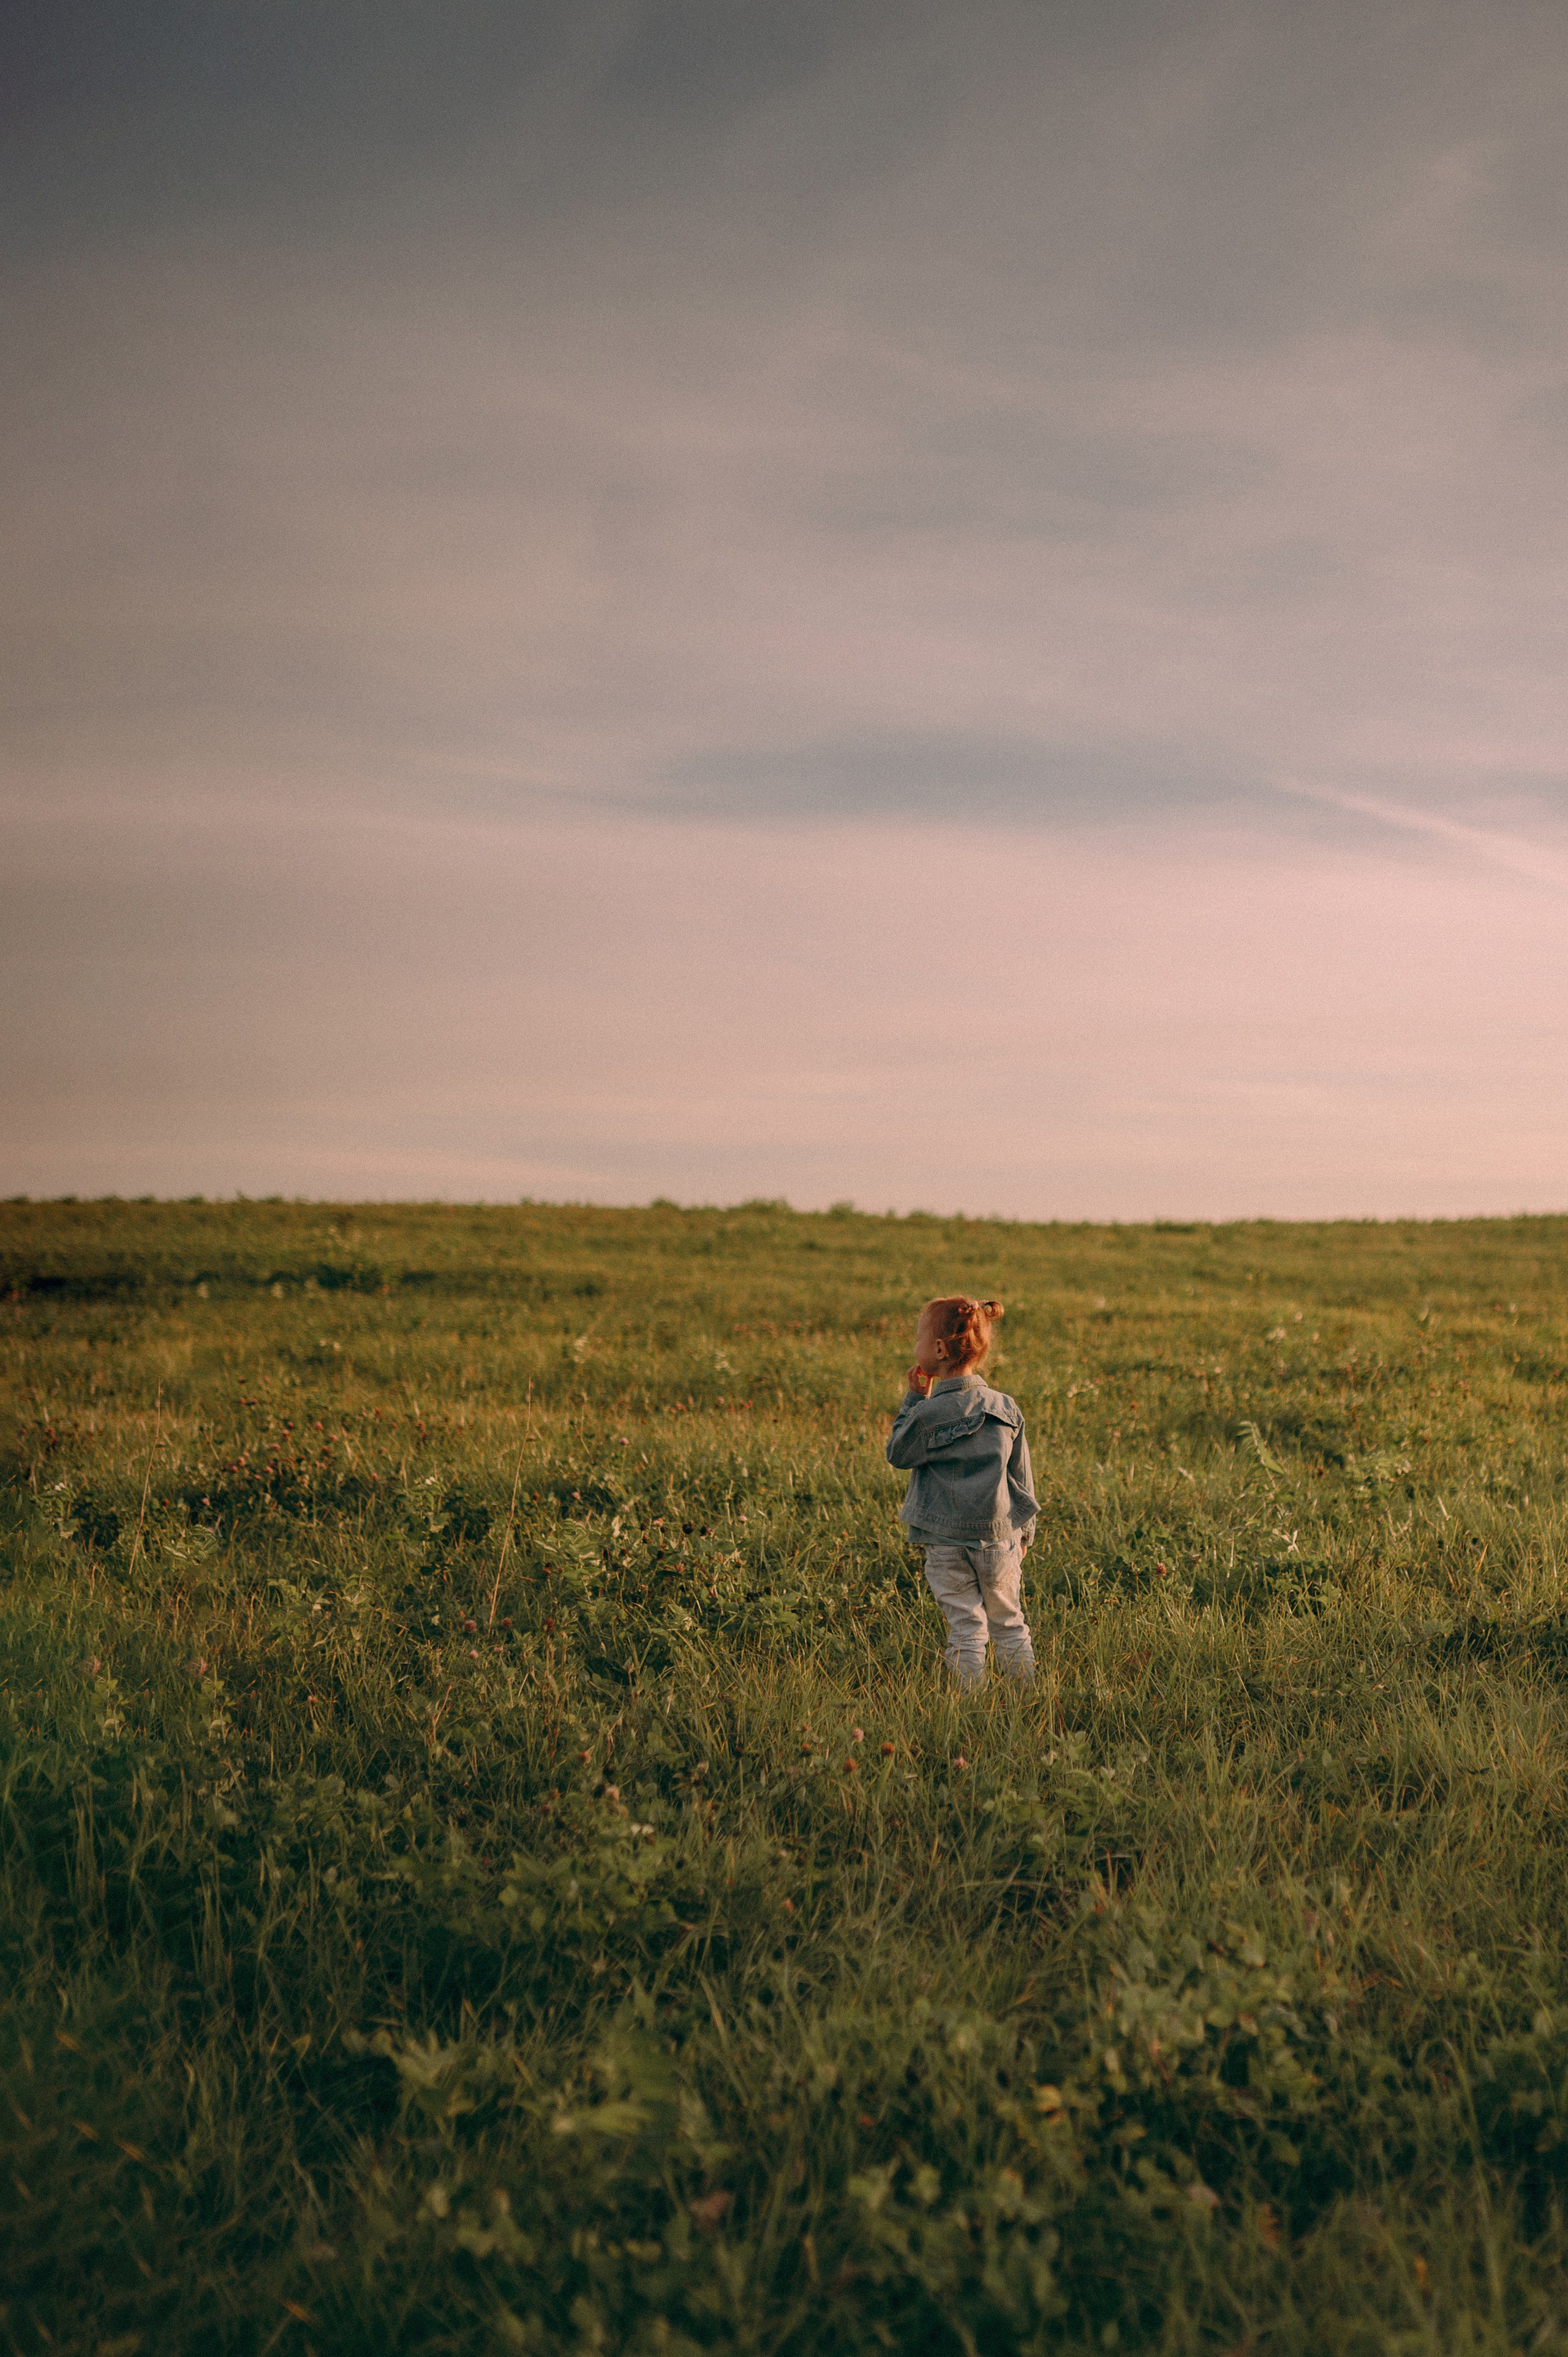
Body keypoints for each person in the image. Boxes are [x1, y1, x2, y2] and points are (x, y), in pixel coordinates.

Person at [886, 1295, 1038, 1689]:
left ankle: (970, 1706)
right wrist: (1025, 1533)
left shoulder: (928, 1413)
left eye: (919, 1337)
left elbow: (898, 1454)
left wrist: (914, 1398)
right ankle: (1027, 1698)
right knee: (1009, 1624)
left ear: (938, 1350)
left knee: (966, 1628)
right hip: (1000, 1539)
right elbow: (1021, 1477)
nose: (915, 1345)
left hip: (945, 1542)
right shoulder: (1006, 1407)